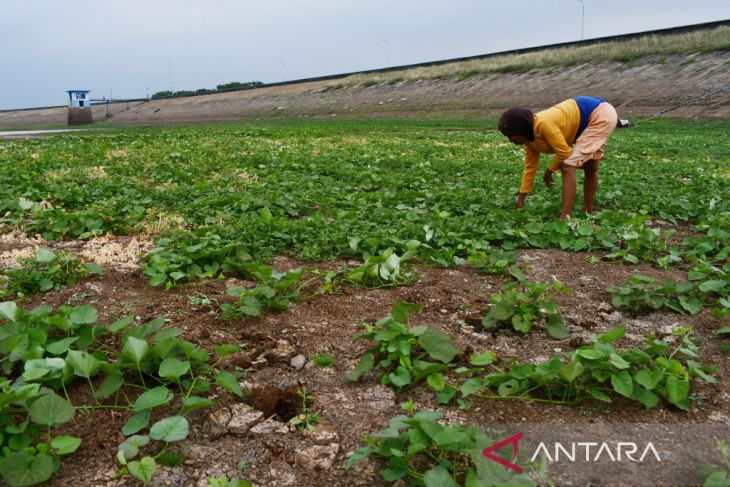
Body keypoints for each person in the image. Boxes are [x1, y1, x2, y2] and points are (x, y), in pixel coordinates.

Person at [498, 96, 618, 220]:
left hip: (600, 113)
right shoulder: (529, 141)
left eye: (511, 136)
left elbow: (565, 152)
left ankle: (565, 217)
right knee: (590, 167)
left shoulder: (543, 124)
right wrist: (521, 199)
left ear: (521, 129)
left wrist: (549, 171)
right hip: (590, 119)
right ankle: (586, 211)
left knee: (567, 166)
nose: (510, 140)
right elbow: (530, 168)